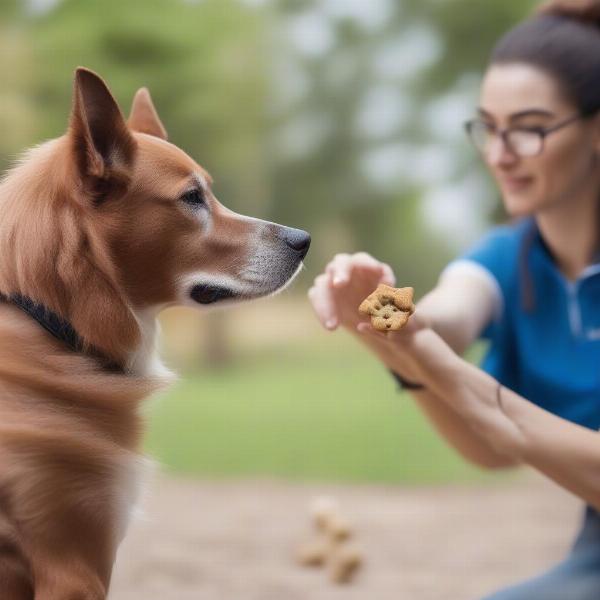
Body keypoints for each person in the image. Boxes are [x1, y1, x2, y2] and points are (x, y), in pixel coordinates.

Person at [308, 1, 600, 597]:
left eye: (529, 127)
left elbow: (505, 426)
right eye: (488, 127)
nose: (499, 154)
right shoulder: (507, 259)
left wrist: (421, 349)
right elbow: (450, 321)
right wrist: (383, 319)